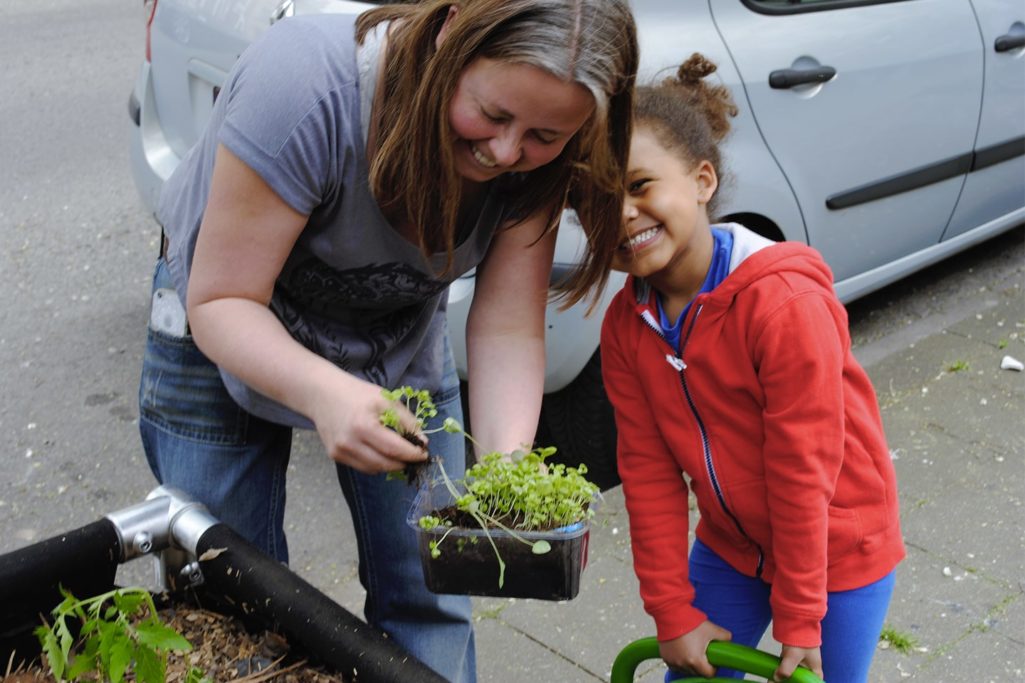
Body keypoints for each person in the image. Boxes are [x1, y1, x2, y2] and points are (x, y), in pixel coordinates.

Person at [137, 1, 638, 680]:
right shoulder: (310, 82)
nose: (504, 153)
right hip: (222, 307)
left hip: (392, 323)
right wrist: (326, 392)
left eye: (542, 135)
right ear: (448, 31)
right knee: (232, 597)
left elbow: (507, 326)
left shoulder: (551, 153)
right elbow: (223, 300)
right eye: (491, 116)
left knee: (431, 590)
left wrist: (503, 473)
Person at [596, 54, 905, 683]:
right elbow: (648, 471)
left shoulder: (783, 305)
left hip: (837, 549)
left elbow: (801, 469)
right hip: (730, 546)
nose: (621, 213)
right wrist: (671, 610)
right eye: (596, 201)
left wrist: (799, 614)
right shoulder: (628, 327)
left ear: (703, 181)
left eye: (638, 185)